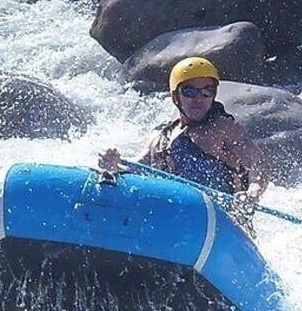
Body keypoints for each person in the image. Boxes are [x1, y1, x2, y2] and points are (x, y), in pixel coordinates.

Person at [99, 56, 270, 209]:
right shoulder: (160, 138)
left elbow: (258, 163)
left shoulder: (224, 129)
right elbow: (135, 170)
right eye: (189, 91)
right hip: (179, 218)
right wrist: (113, 164)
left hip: (226, 220)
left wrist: (253, 191)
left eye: (207, 91)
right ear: (175, 96)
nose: (198, 98)